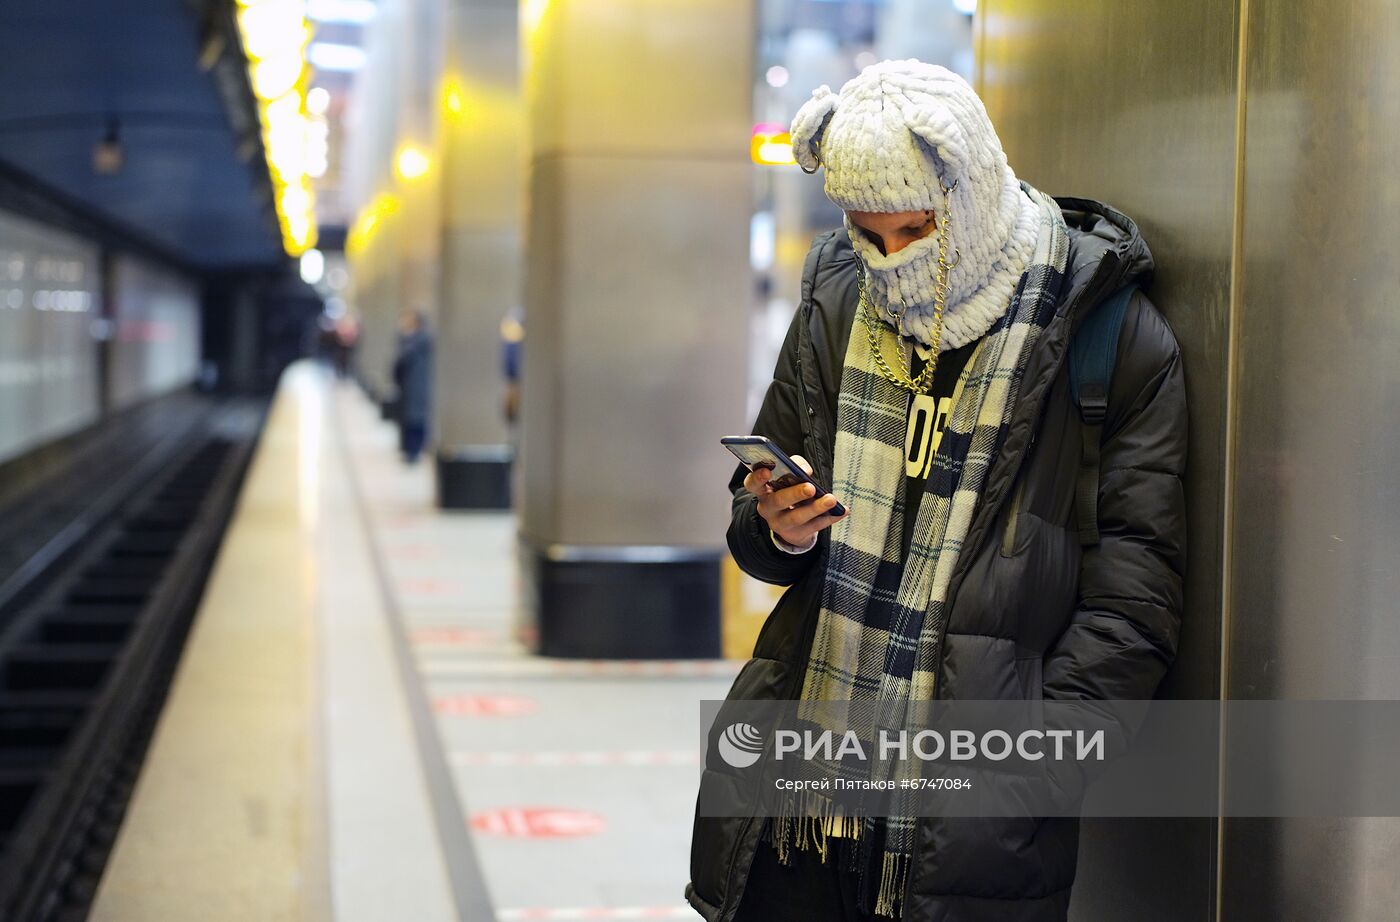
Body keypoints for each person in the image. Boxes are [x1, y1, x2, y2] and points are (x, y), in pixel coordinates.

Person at [685, 60, 1188, 922]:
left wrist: (1024, 767)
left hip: (967, 827)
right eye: (863, 233)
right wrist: (781, 528)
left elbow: (1135, 601)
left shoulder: (1107, 337)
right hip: (797, 808)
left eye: (911, 232)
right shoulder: (839, 301)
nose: (887, 262)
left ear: (968, 195)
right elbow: (755, 521)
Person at [392, 308, 434, 463]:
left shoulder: (417, 340)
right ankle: (411, 449)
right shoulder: (412, 340)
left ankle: (414, 450)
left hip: (416, 386)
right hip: (410, 386)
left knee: (416, 418)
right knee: (412, 418)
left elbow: (402, 360)